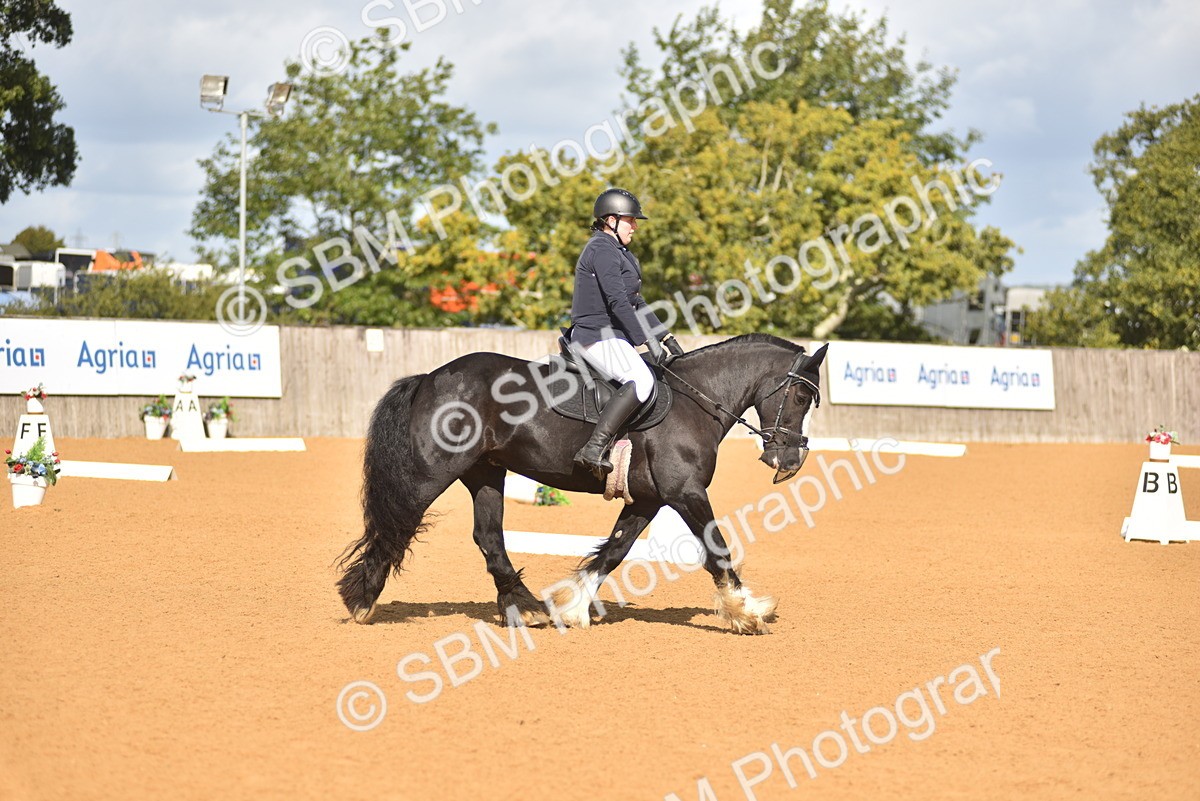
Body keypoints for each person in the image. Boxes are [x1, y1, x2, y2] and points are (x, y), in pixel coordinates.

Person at [568, 187, 685, 479]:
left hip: (612, 335)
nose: (635, 226)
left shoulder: (622, 253)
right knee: (641, 379)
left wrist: (665, 336)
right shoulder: (600, 249)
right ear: (610, 220)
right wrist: (644, 341)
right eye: (630, 220)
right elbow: (617, 302)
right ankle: (593, 449)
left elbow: (636, 301)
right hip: (595, 334)